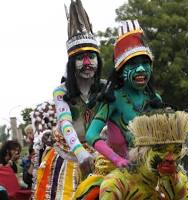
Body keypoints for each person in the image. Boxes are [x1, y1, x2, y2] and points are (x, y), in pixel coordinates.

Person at [32, 0, 104, 199]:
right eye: (81, 58)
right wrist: (80, 152)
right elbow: (66, 123)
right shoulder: (61, 92)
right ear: (72, 63)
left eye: (92, 56)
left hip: (102, 156)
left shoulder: (107, 89)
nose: (87, 63)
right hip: (68, 157)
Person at [85, 19, 163, 170]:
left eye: (145, 63)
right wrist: (117, 160)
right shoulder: (113, 98)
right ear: (120, 71)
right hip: (116, 170)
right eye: (133, 64)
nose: (141, 69)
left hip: (151, 171)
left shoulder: (155, 100)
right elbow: (91, 135)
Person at [99, 111, 188, 199]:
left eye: (176, 150)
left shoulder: (179, 180)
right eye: (161, 150)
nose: (170, 158)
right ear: (142, 151)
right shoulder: (116, 184)